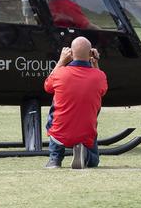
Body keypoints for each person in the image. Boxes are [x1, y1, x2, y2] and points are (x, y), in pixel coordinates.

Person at [43, 36, 107, 169]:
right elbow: (103, 90)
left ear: (71, 54)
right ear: (91, 54)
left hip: (59, 133)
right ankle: (84, 155)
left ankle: (55, 159)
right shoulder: (99, 76)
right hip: (86, 134)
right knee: (94, 161)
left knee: (56, 107)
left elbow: (47, 86)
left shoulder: (60, 73)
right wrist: (95, 63)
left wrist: (61, 61)